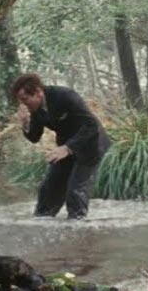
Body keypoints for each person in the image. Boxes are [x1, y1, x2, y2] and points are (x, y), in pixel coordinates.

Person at [12, 73, 110, 219]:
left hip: (91, 144)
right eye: (20, 101)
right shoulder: (35, 110)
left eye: (25, 99)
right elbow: (34, 137)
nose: (23, 105)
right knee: (48, 187)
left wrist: (67, 148)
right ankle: (42, 221)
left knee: (75, 191)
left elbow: (91, 125)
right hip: (64, 148)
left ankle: (77, 228)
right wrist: (25, 123)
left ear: (38, 92)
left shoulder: (65, 96)